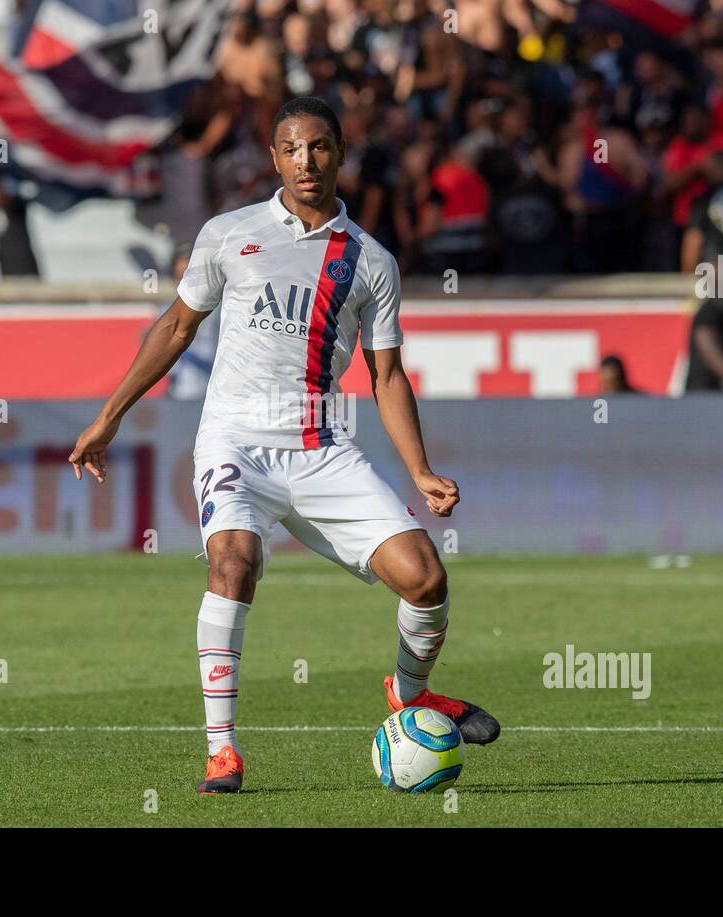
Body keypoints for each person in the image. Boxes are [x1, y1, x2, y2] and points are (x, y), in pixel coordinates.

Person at [66, 96, 499, 795]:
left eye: (320, 147)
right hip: (235, 441)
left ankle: (411, 693)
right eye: (293, 149)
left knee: (427, 578)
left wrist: (419, 468)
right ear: (274, 158)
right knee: (233, 562)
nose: (307, 161)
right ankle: (222, 750)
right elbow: (176, 327)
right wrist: (111, 414)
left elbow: (386, 373)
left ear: (339, 153)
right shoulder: (228, 234)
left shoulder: (370, 262)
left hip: (323, 448)